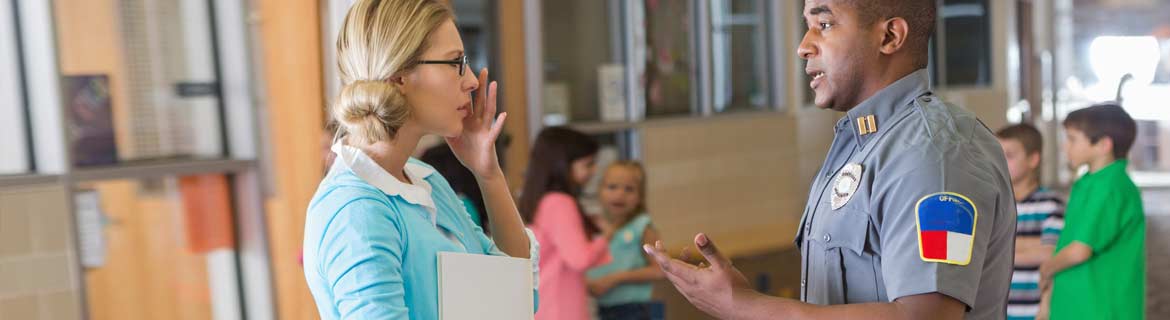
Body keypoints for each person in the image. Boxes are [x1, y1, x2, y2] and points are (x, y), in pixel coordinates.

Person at [643, 0, 1017, 319]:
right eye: (807, 27)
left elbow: (924, 315)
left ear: (889, 36)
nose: (804, 46)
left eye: (824, 24)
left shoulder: (933, 152)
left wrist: (750, 308)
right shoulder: (862, 143)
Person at [301, 1, 538, 318]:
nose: (471, 80)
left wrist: (488, 176)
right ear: (399, 77)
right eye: (455, 63)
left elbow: (515, 294)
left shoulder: (424, 179)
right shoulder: (356, 211)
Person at [1040, 102, 1145, 320]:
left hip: (1100, 308)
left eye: (1072, 139)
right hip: (1076, 304)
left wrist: (1047, 268)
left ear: (1103, 145)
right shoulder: (1089, 183)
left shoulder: (1109, 187)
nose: (1065, 147)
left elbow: (1079, 250)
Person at [521, 127, 613, 320]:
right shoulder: (559, 203)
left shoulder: (543, 200)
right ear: (563, 165)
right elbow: (579, 259)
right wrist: (606, 235)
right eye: (588, 164)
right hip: (561, 309)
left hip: (547, 305)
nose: (594, 170)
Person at [995, 124, 1065, 320]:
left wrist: (995, 251)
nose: (998, 161)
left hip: (1036, 312)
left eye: (1008, 155)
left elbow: (1051, 253)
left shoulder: (1052, 204)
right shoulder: (992, 204)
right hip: (997, 312)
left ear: (1033, 159)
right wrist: (1030, 246)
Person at [586, 161, 665, 320]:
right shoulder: (595, 227)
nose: (620, 194)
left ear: (640, 197)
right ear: (599, 191)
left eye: (629, 189)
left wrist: (616, 278)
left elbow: (660, 270)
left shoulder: (642, 227)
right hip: (602, 308)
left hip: (634, 310)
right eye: (612, 187)